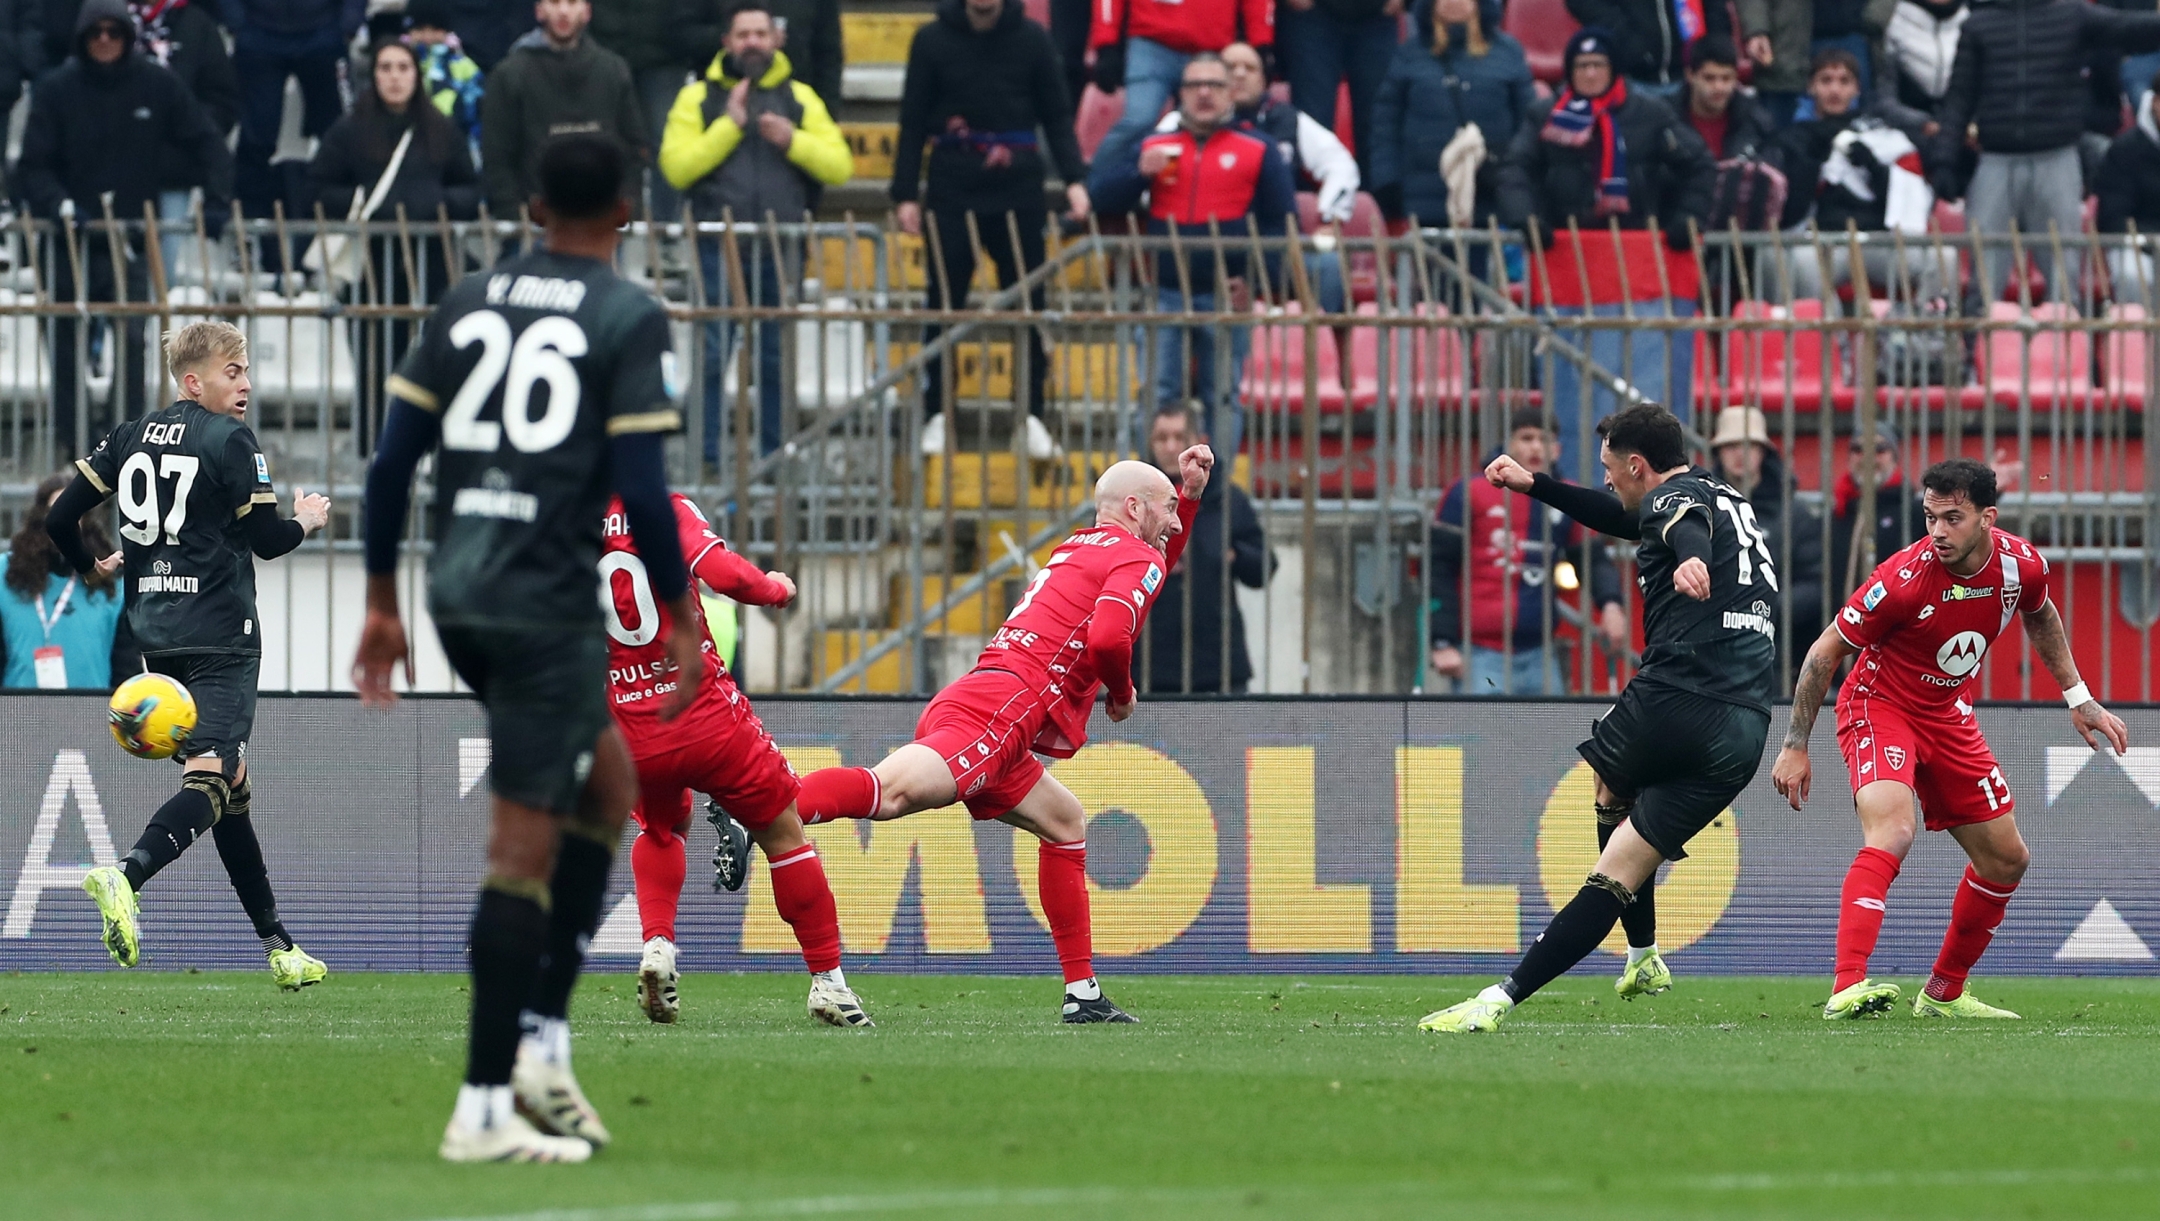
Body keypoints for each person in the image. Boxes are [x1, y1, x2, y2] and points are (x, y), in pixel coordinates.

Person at [355, 133, 697, 1163]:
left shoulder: (466, 301)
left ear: (533, 204)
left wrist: (380, 600)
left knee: (607, 784)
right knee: (521, 854)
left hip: (457, 587)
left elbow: (390, 464)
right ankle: (482, 1108)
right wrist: (681, 612)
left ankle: (543, 1046)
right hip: (540, 606)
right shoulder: (629, 314)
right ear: (629, 210)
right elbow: (642, 488)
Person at [789, 448, 1217, 1023]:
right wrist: (1121, 694)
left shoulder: (1084, 547)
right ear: (1135, 508)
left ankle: (1082, 993)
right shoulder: (1133, 557)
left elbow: (1153, 567)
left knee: (1064, 821)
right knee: (890, 794)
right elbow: (1110, 640)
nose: (1172, 522)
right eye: (1165, 509)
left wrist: (1187, 496)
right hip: (1009, 705)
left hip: (989, 691)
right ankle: (770, 807)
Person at [1420, 404, 1780, 1031]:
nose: (1608, 479)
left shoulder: (1679, 504)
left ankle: (1552, 981)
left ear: (1638, 465)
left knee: (1610, 791)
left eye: (1611, 467)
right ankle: (1620, 962)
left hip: (1677, 696)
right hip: (1744, 726)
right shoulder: (1726, 499)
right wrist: (1539, 486)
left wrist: (1690, 558)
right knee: (1621, 864)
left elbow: (1678, 524)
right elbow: (1631, 517)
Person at [1772, 459, 2130, 1019]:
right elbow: (1824, 652)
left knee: (2007, 860)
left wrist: (2077, 695)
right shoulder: (1901, 579)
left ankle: (1944, 993)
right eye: (1929, 516)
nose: (1937, 531)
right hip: (1877, 706)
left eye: (1952, 518)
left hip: (1947, 714)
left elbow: (2040, 613)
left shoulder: (2022, 566)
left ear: (1988, 518)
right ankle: (1847, 986)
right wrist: (1796, 743)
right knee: (1893, 829)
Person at [48, 322, 334, 988]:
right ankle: (125, 874)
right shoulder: (231, 441)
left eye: (244, 371)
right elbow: (267, 540)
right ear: (193, 380)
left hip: (157, 635)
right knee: (210, 778)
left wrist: (93, 568)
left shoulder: (128, 437)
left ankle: (281, 946)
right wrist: (309, 518)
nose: (246, 383)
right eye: (233, 371)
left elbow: (62, 517)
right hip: (222, 636)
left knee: (232, 781)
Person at [601, 492, 871, 1028]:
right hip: (706, 716)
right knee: (783, 833)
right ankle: (829, 984)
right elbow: (725, 573)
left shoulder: (561, 518)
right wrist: (775, 587)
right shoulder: (660, 505)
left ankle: (658, 946)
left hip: (631, 727)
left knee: (661, 829)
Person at [17, 0, 233, 450]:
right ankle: (72, 441)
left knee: (135, 338)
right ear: (81, 37)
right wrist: (60, 206)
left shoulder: (156, 84)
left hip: (131, 237)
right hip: (70, 237)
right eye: (95, 33)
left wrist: (217, 200)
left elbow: (206, 139)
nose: (104, 41)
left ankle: (126, 437)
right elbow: (32, 165)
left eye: (114, 32)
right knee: (64, 338)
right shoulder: (57, 90)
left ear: (128, 36)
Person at [1498, 28, 1712, 482]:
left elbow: (1698, 165)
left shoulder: (1650, 113)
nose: (1590, 75)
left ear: (1612, 70)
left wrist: (1685, 220)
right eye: (1581, 67)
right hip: (1569, 267)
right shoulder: (1545, 116)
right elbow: (1516, 170)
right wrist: (1528, 218)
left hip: (1639, 259)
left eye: (1598, 66)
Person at [892, 0, 1088, 459]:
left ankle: (1031, 414)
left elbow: (1057, 115)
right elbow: (913, 117)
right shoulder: (930, 39)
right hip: (952, 184)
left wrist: (1076, 179)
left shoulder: (1034, 39)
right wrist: (904, 192)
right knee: (943, 302)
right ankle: (937, 411)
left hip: (1019, 188)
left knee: (1030, 304)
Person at [661, 0, 852, 460]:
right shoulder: (698, 97)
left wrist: (793, 140)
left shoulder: (801, 97)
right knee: (712, 353)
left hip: (780, 244)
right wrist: (729, 127)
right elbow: (675, 167)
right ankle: (705, 456)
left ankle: (772, 456)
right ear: (726, 41)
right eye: (742, 34)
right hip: (717, 244)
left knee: (773, 357)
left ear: (777, 40)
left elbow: (840, 165)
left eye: (760, 34)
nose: (752, 43)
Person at [1092, 53, 1295, 468]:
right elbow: (1099, 197)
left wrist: (1255, 282)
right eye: (1194, 85)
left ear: (1230, 94)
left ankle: (1212, 494)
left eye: (1215, 85)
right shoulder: (1152, 145)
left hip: (1225, 294)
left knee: (1221, 397)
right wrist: (1137, 173)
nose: (1204, 93)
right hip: (1164, 292)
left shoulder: (1258, 148)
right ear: (1179, 94)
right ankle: (1149, 486)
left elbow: (1279, 225)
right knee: (1156, 394)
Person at [311, 39, 483, 448]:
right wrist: (367, 201)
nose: (394, 77)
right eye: (385, 68)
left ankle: (431, 450)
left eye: (403, 68)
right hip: (370, 267)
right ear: (374, 76)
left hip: (432, 263)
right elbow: (319, 188)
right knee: (373, 366)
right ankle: (374, 449)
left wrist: (436, 204)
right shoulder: (351, 129)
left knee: (432, 364)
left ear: (416, 75)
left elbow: (471, 191)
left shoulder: (440, 129)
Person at [1935, 0, 2160, 305]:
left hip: (2056, 158)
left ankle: (2067, 351)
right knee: (1986, 272)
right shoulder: (1979, 24)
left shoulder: (2071, 14)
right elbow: (1959, 98)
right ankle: (1979, 344)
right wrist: (1944, 160)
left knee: (2063, 274)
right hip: (1996, 160)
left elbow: (2130, 29)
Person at [1427, 408, 1628, 696]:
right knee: (1485, 741)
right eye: (1526, 437)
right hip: (1478, 652)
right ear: (1508, 444)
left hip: (1539, 651)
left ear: (1557, 449)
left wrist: (1611, 605)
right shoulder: (1468, 492)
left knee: (1546, 741)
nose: (1535, 446)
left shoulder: (1568, 497)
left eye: (1544, 439)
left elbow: (1590, 558)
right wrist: (1442, 642)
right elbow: (1439, 568)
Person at [1161, 40, 1357, 308]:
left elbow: (1341, 164)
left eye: (1250, 68)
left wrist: (1331, 214)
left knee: (1328, 263)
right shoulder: (1179, 123)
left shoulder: (1288, 120)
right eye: (1231, 67)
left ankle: (1327, 344)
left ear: (1265, 81)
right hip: (1204, 243)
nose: (1240, 74)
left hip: (1271, 243)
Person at [1767, 48, 1941, 304]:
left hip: (1876, 242)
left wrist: (1873, 166)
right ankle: (1831, 341)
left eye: (1844, 81)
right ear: (1811, 87)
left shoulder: (1883, 135)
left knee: (1942, 259)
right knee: (1796, 264)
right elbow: (1790, 214)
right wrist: (1811, 163)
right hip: (1824, 243)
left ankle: (1916, 335)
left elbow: (1908, 206)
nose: (1835, 90)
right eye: (1826, 81)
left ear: (1856, 89)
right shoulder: (1793, 139)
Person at [1133, 402, 1269, 693]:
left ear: (1198, 442)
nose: (1171, 447)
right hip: (1146, 670)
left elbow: (1264, 568)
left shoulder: (1227, 499)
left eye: (1180, 438)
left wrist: (1235, 557)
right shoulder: (1129, 503)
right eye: (1162, 438)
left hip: (1218, 668)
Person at [1371, 0, 1532, 228]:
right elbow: (1385, 124)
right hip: (1423, 197)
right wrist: (1387, 181)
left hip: (1492, 193)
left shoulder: (1509, 52)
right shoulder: (1409, 54)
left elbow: (1528, 124)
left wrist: (1521, 184)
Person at [481, 0, 648, 218]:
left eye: (571, 3)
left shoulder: (613, 71)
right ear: (539, 11)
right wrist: (513, 211)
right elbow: (496, 154)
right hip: (536, 222)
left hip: (603, 220)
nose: (563, 11)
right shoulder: (509, 75)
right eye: (554, 2)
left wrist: (625, 203)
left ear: (587, 12)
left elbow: (635, 146)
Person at [1086, 0, 1275, 181]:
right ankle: (1092, 192)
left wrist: (1261, 43)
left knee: (1209, 129)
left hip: (1210, 48)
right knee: (1139, 120)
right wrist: (1106, 43)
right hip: (1152, 43)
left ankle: (1181, 195)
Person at [225, 0, 364, 232]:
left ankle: (339, 221)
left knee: (336, 134)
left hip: (324, 31)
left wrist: (348, 24)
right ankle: (249, 227)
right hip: (258, 31)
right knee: (256, 138)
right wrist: (235, 22)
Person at [1708, 405, 1824, 672]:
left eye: (1748, 445)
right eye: (1731, 446)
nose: (1740, 454)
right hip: (1710, 652)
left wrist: (1765, 609)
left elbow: (1815, 583)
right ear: (1719, 453)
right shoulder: (1701, 509)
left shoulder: (1795, 515)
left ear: (1762, 452)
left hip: (1774, 656)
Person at [132, 0, 241, 265]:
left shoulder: (196, 24)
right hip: (108, 173)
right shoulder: (102, 24)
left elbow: (222, 100)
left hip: (171, 171)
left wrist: (182, 128)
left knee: (163, 273)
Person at [0, 472, 123, 690]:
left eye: (74, 512)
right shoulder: (5, 573)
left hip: (92, 712)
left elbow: (125, 664)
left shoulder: (111, 580)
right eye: (56, 511)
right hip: (17, 714)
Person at [1275, 0, 1401, 183]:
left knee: (1378, 118)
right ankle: (1310, 204)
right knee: (1312, 121)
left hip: (1378, 14)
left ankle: (1379, 204)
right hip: (1312, 14)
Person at [678, 0, 841, 112]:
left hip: (795, 106)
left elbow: (828, 52)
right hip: (717, 103)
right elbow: (683, 36)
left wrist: (827, 111)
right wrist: (737, 36)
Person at [1829, 420, 1924, 601]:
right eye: (1858, 449)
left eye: (1879, 450)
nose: (1867, 457)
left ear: (1894, 458)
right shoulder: (1839, 514)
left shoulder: (1914, 512)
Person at [1565, 0, 1730, 97]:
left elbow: (1715, 10)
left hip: (1692, 81)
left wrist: (1714, 52)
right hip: (1632, 79)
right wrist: (1629, 42)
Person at [2096, 76, 2160, 302]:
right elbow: (2112, 217)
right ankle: (2135, 337)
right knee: (2132, 276)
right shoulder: (2124, 150)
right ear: (2155, 103)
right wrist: (2150, 241)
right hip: (2135, 245)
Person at [407, 0, 488, 168]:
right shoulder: (401, 66)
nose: (427, 37)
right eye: (420, 29)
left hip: (454, 152)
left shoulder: (464, 68)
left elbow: (477, 118)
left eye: (436, 29)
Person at [1682, 36, 1774, 162]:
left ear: (1736, 77)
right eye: (1709, 78)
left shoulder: (1758, 122)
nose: (1719, 87)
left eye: (1726, 78)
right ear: (1690, 76)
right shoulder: (1666, 121)